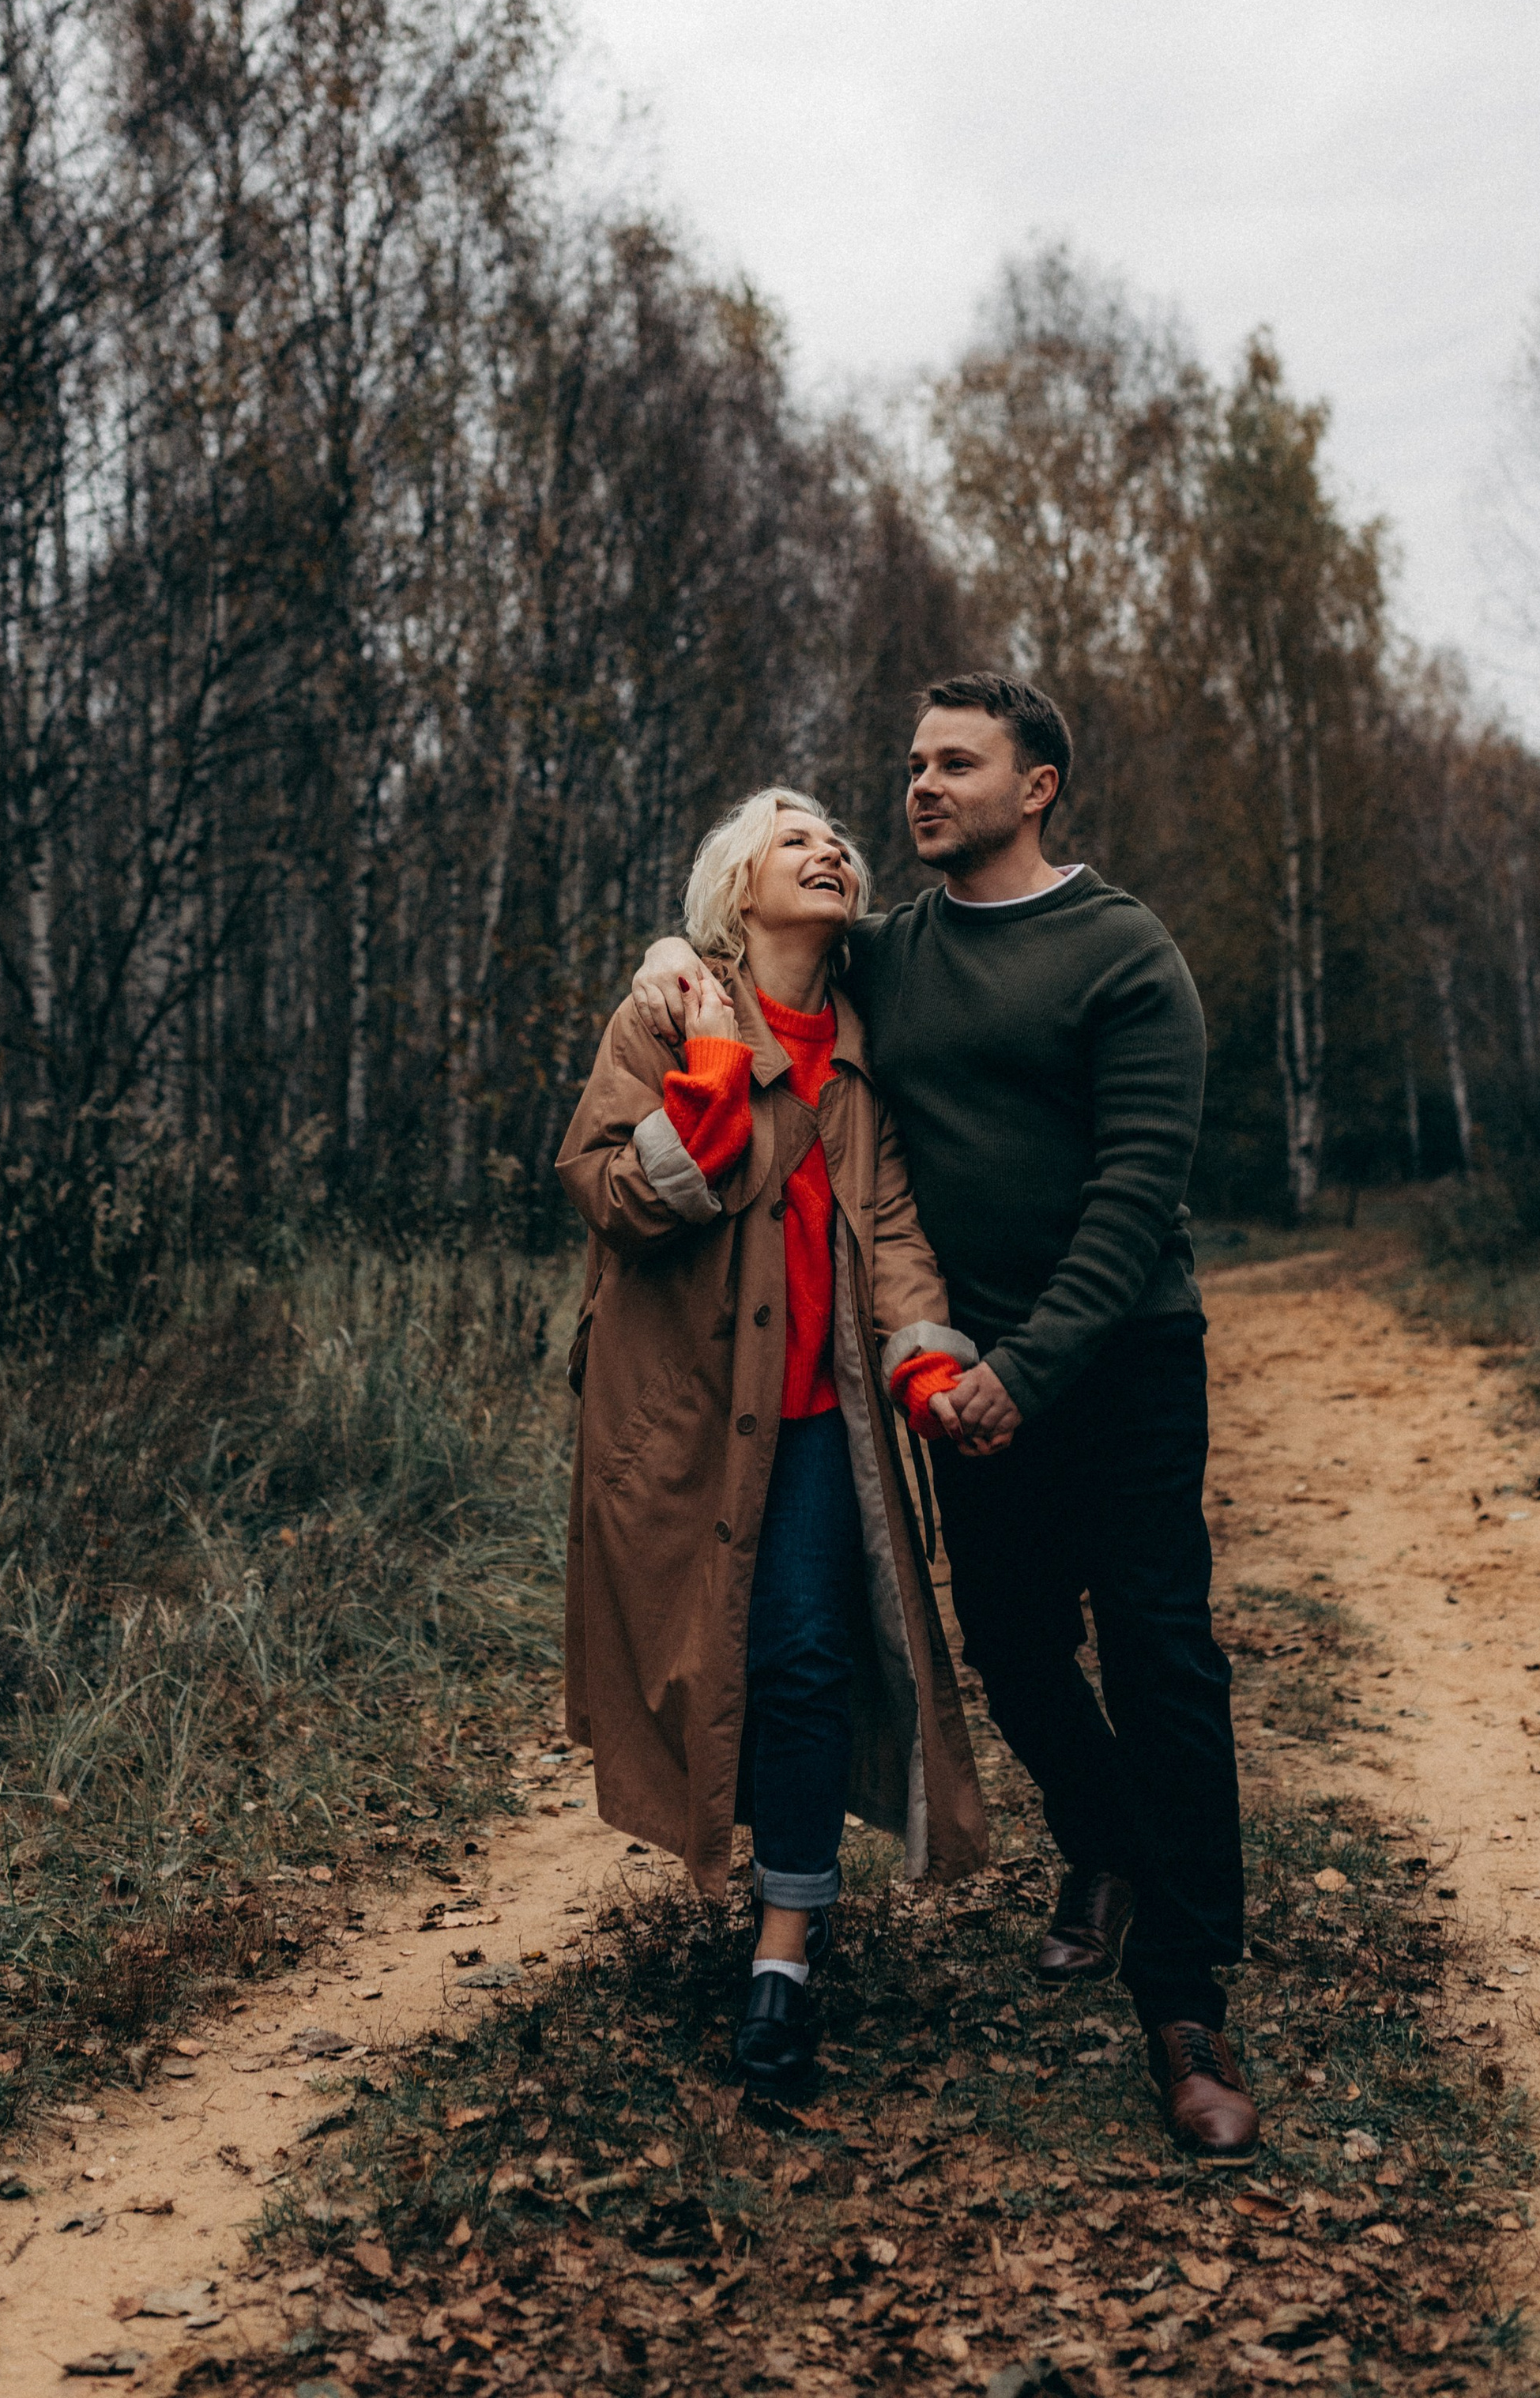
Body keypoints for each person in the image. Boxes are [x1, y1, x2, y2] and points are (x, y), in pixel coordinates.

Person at [634, 676, 1255, 2163]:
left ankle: (1183, 1997)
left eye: (955, 763)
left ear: (1036, 786)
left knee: (1163, 1651)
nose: (918, 786)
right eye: (911, 762)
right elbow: (747, 941)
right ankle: (1104, 1837)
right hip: (962, 1383)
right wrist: (669, 954)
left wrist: (1024, 1371)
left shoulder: (1125, 954)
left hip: (1121, 1361)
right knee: (1016, 1652)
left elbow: (1133, 1200)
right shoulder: (889, 958)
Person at [556, 788, 988, 2090]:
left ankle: (785, 1952)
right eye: (793, 838)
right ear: (739, 887)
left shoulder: (862, 1053)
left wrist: (923, 1357)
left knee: (805, 1656)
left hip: (813, 1415)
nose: (830, 851)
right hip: (682, 1417)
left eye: (837, 842)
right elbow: (603, 1192)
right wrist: (700, 1094)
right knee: (705, 1656)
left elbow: (896, 1226)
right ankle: (757, 1890)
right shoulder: (668, 1011)